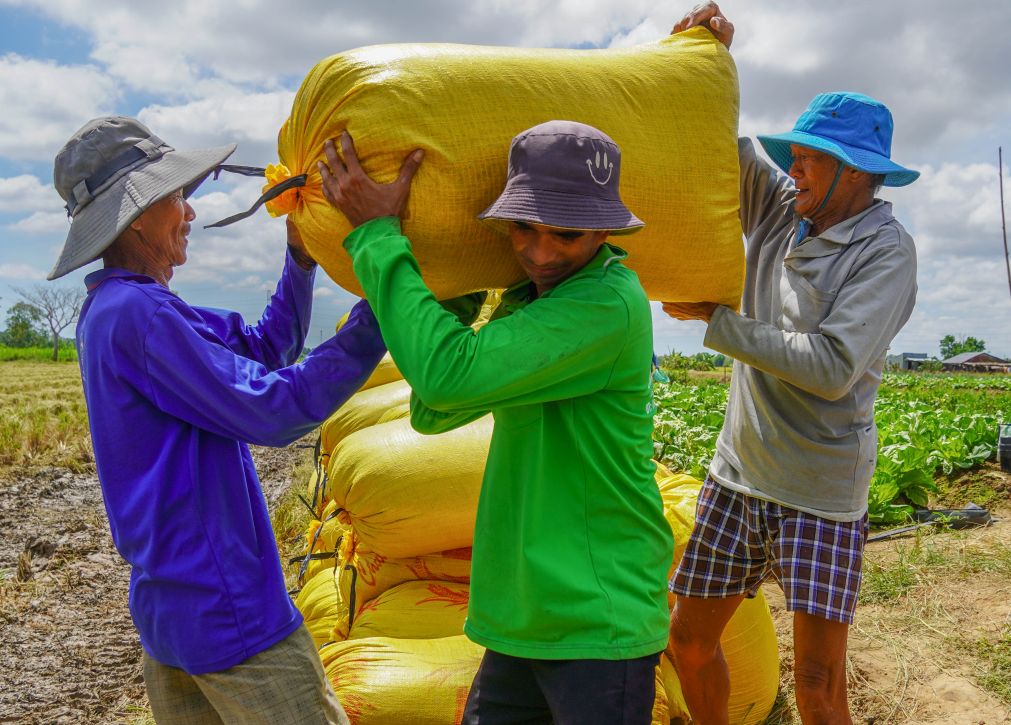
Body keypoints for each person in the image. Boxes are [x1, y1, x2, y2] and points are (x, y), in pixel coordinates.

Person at [316, 120, 673, 724]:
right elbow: (435, 411)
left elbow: (445, 379)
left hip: (595, 617)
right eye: (523, 228)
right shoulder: (536, 300)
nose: (541, 252)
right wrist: (457, 287)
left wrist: (378, 236)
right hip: (522, 618)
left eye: (566, 234)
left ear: (605, 230)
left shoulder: (604, 305)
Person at [49, 116, 387, 724]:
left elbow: (264, 349)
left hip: (171, 615)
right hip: (230, 615)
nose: (191, 213)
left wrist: (300, 256)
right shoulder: (143, 316)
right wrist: (386, 304)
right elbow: (276, 408)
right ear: (138, 216)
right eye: (177, 197)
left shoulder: (117, 309)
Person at [664, 5, 919, 724]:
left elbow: (832, 365)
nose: (793, 167)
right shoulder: (783, 208)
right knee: (688, 641)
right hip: (738, 471)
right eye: (795, 154)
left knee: (816, 683)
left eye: (809, 157)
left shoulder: (885, 252)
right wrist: (706, 60)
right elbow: (720, 146)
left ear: (854, 172)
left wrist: (716, 321)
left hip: (818, 488)